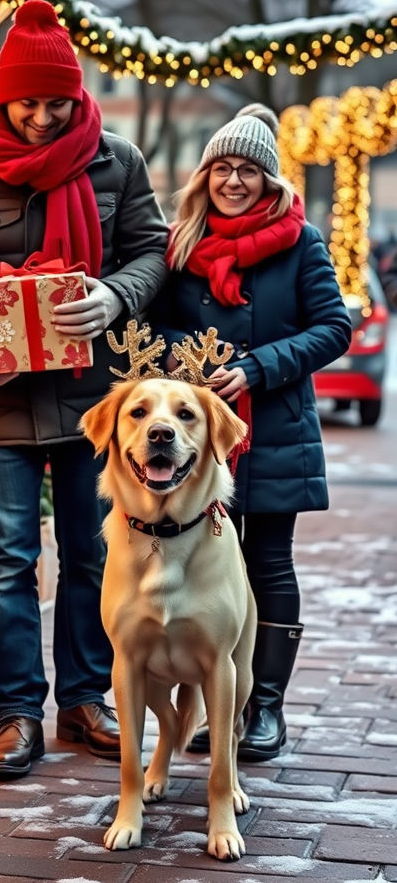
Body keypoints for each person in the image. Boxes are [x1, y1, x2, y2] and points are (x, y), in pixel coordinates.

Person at [0, 0, 169, 779]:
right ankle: (16, 715)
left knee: (91, 551)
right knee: (6, 556)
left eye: (55, 101)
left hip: (94, 398)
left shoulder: (117, 160)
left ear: (76, 95)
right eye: (27, 101)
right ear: (1, 93)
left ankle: (84, 699)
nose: (40, 116)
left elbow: (152, 252)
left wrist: (117, 296)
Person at [151, 103, 351, 761]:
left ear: (271, 181)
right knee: (208, 572)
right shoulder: (180, 243)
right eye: (222, 169)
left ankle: (265, 707)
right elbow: (156, 325)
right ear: (205, 175)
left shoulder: (302, 242)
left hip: (272, 430)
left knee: (266, 564)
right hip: (199, 440)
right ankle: (219, 706)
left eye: (248, 171)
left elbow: (333, 327)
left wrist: (257, 367)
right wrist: (192, 354)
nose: (233, 181)